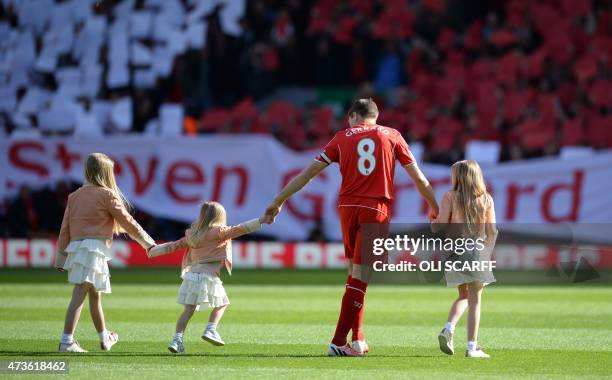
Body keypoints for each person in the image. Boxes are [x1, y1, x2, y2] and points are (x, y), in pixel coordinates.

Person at [264, 98, 439, 356]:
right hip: (376, 208)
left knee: (354, 274)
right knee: (362, 277)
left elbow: (306, 175)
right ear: (375, 117)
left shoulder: (342, 137)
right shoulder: (392, 135)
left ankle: (357, 339)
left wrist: (277, 201)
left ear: (355, 116)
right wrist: (434, 207)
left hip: (347, 209)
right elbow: (419, 179)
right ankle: (337, 341)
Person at [54, 153, 156, 353]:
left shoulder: (74, 196)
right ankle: (66, 341)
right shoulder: (107, 194)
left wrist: (61, 256)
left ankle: (104, 337)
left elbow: (64, 228)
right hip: (94, 249)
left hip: (78, 249)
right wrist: (148, 243)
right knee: (81, 292)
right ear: (106, 173)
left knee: (95, 295)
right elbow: (128, 222)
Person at [147, 201, 270, 354]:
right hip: (209, 276)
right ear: (220, 216)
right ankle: (211, 329)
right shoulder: (219, 231)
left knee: (188, 311)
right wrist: (260, 221)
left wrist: (153, 251)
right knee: (222, 304)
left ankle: (177, 340)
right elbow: (241, 229)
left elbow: (174, 245)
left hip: (191, 276)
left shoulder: (193, 234)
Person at [431, 160, 498, 358]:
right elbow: (492, 230)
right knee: (475, 301)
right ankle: (471, 347)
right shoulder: (486, 199)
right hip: (476, 250)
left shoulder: (449, 196)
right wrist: (487, 251)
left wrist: (432, 221)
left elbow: (439, 226)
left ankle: (448, 328)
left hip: (454, 250)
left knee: (463, 296)